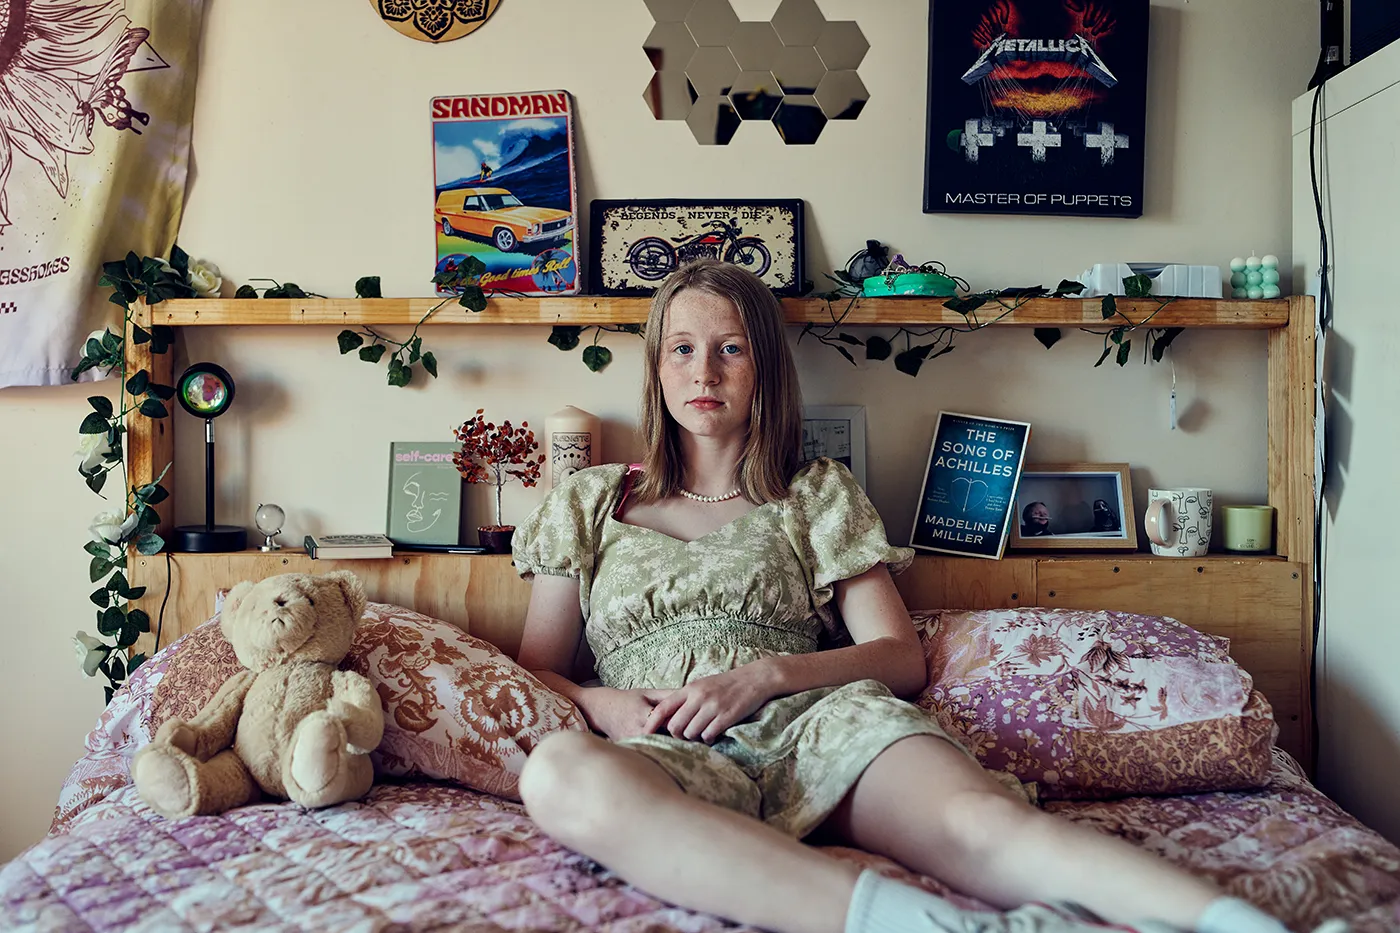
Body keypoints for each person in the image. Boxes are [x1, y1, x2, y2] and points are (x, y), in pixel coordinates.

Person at [511, 258, 1326, 933]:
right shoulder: (588, 498)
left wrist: (764, 676)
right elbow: (536, 668)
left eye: (730, 349)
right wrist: (603, 706)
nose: (704, 371)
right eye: (682, 349)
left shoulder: (816, 492)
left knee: (982, 822)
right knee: (557, 775)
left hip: (820, 722)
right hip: (661, 737)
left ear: (763, 366)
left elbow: (900, 656)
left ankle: (1246, 927)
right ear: (655, 367)